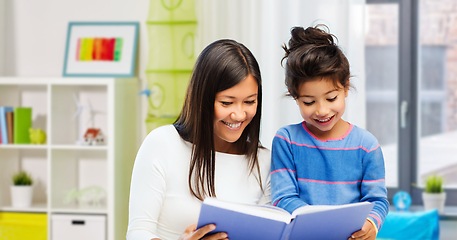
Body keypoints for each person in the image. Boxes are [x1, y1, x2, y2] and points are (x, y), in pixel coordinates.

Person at [127, 39, 271, 240]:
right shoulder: (163, 143)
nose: (239, 114)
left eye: (249, 102)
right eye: (227, 102)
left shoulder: (264, 161)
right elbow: (138, 232)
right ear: (202, 98)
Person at [271, 25, 389, 240]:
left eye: (331, 98)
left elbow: (377, 201)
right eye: (309, 102)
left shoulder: (366, 145)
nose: (322, 110)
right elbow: (283, 198)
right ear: (294, 95)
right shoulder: (286, 140)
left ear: (345, 87)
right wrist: (324, 224)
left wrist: (371, 224)